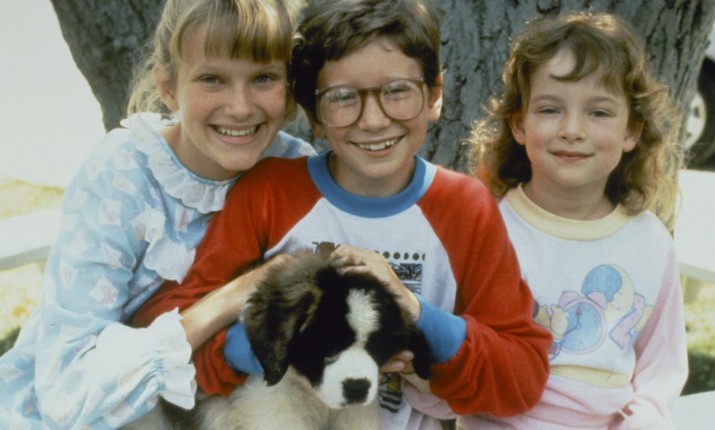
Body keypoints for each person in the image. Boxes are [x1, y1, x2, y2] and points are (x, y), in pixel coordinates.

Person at [132, 0, 552, 428]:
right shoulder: (270, 192)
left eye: (397, 91)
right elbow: (166, 332)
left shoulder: (464, 207)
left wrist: (417, 314)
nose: (373, 120)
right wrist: (275, 346)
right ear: (313, 115)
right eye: (343, 98)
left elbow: (521, 378)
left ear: (435, 94)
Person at [0, 0, 315, 428]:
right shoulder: (122, 176)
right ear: (167, 87)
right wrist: (230, 298)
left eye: (263, 78)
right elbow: (67, 391)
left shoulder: (295, 167)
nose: (241, 107)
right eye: (212, 79)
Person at [461, 12, 688, 429]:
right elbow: (457, 356)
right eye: (550, 109)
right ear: (519, 124)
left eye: (598, 113)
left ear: (631, 131)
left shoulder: (650, 242)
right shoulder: (488, 228)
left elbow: (662, 367)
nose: (572, 130)